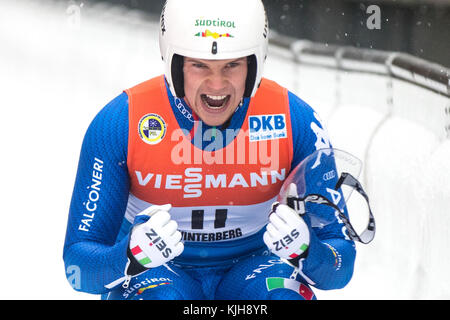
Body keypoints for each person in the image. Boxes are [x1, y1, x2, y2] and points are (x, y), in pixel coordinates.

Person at [63, 0, 357, 300]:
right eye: (199, 65)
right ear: (174, 64)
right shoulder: (120, 122)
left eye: (232, 64)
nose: (217, 84)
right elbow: (78, 266)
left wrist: (310, 250)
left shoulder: (295, 121)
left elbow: (341, 263)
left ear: (254, 64)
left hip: (255, 270)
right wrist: (128, 257)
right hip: (158, 275)